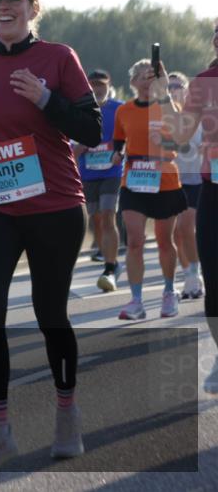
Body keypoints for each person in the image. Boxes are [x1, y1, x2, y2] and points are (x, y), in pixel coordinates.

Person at [0, 0, 101, 473]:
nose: (2, 9)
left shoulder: (59, 58)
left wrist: (46, 99)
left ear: (33, 9)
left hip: (55, 205)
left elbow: (92, 130)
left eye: (13, 2)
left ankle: (67, 411)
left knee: (49, 312)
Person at [162, 22, 218, 394]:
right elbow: (181, 133)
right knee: (214, 276)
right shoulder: (203, 82)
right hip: (214, 185)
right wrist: (165, 94)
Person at [110, 59, 187, 321]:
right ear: (133, 82)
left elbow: (180, 138)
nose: (147, 80)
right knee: (134, 241)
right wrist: (117, 155)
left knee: (165, 241)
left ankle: (168, 291)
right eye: (142, 76)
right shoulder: (124, 111)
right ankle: (136, 300)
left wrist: (163, 139)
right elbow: (119, 140)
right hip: (134, 179)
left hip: (164, 177)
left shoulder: (166, 106)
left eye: (151, 76)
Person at [72, 69, 124, 291]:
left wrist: (121, 152)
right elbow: (69, 146)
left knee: (108, 214)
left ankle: (111, 267)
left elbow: (130, 136)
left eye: (100, 84)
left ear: (108, 84)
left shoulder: (119, 109)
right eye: (92, 84)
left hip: (112, 172)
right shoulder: (80, 111)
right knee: (95, 219)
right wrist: (79, 148)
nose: (96, 88)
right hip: (89, 173)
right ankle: (107, 254)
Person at [168, 71, 205, 300]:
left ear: (186, 89)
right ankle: (190, 278)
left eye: (176, 86)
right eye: (168, 87)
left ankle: (196, 275)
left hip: (198, 180)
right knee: (178, 234)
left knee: (185, 227)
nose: (172, 90)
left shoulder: (197, 116)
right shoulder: (165, 118)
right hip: (174, 180)